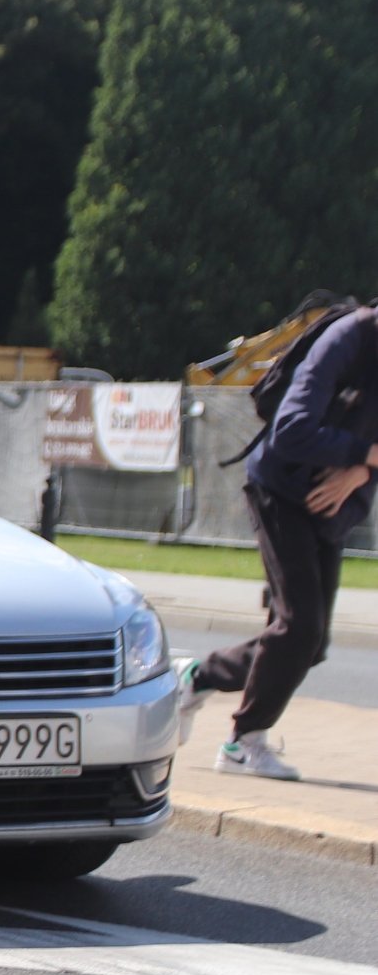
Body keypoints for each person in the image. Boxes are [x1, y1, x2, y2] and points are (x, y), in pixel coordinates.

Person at [180, 306, 378, 778]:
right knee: (300, 626)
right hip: (280, 490)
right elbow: (291, 429)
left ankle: (196, 676)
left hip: (330, 503)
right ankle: (242, 743)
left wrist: (362, 468)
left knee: (309, 643)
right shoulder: (347, 340)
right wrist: (363, 454)